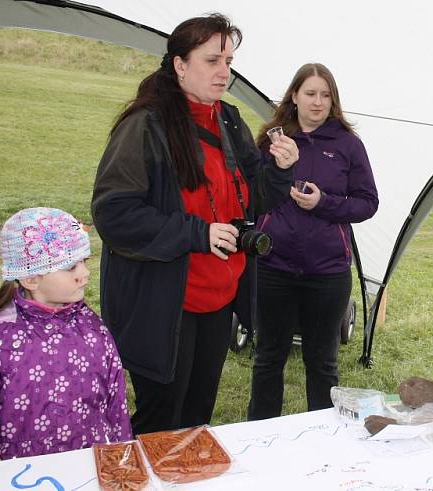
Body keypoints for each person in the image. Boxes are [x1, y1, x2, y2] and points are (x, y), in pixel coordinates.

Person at [91, 14, 298, 434]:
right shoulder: (144, 126)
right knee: (161, 419)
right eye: (212, 60)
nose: (225, 72)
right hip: (166, 302)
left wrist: (280, 171)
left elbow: (252, 197)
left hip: (217, 298)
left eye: (229, 60)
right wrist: (197, 232)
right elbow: (114, 213)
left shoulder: (228, 119)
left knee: (198, 414)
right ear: (180, 65)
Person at [0, 208, 132, 472]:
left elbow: (115, 405)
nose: (84, 273)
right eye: (70, 266)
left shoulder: (93, 329)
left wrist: (122, 456)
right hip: (21, 474)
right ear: (31, 277)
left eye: (84, 261)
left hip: (89, 470)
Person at [247, 63, 378, 420]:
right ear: (294, 96)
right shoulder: (272, 141)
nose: (318, 102)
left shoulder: (348, 145)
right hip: (274, 266)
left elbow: (368, 202)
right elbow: (253, 195)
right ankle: (261, 434)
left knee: (322, 363)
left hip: (327, 273)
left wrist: (324, 203)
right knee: (268, 358)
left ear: (333, 101)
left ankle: (324, 443)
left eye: (325, 95)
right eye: (310, 93)